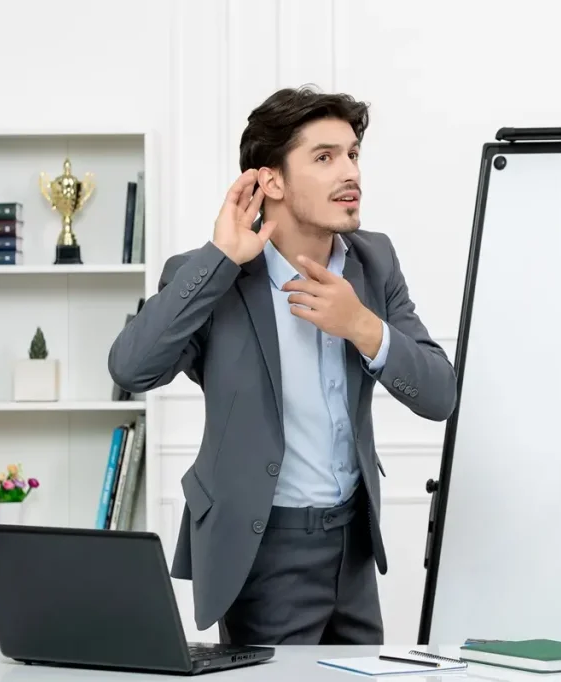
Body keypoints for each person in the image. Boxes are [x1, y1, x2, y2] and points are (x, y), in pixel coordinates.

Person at [107, 85, 457, 646]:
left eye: (352, 154)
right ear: (271, 181)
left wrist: (361, 325)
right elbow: (131, 368)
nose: (350, 173)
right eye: (325, 157)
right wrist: (220, 259)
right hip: (262, 548)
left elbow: (440, 396)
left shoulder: (375, 260)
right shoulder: (208, 277)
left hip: (353, 547)